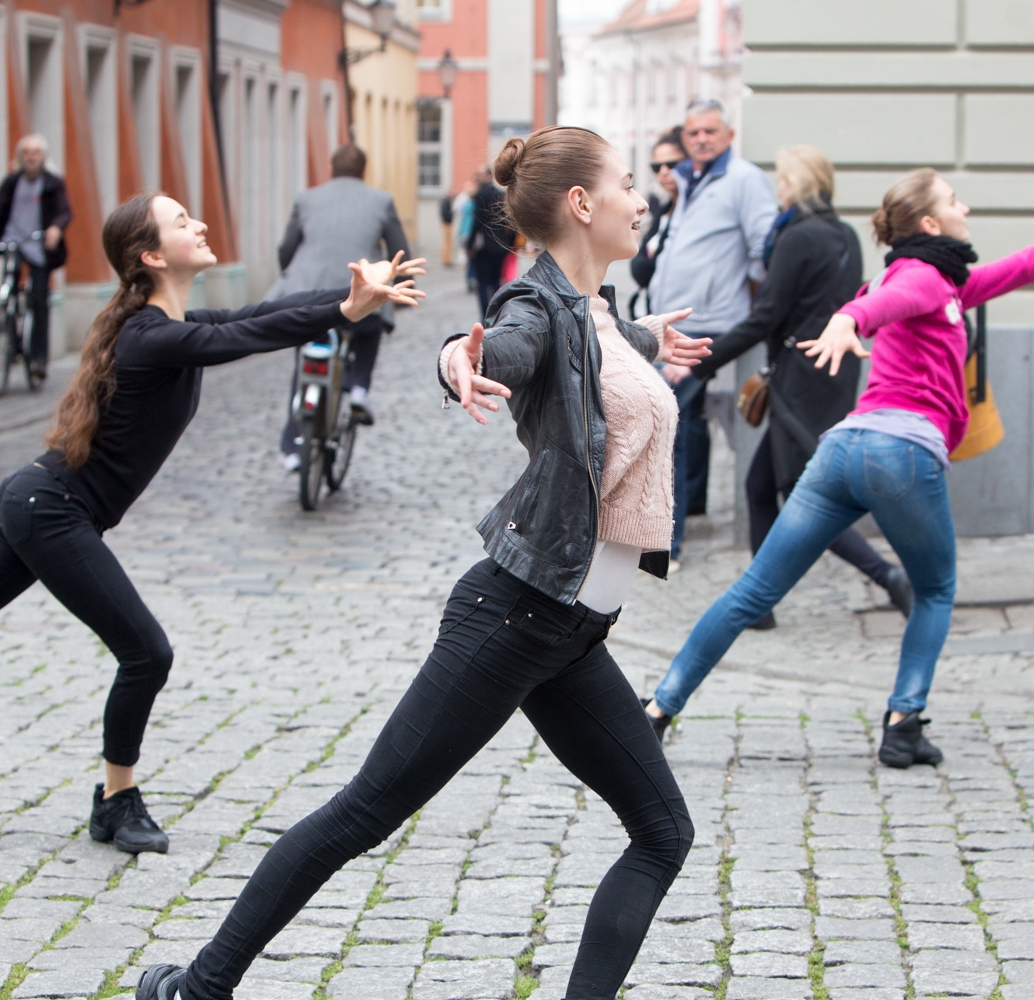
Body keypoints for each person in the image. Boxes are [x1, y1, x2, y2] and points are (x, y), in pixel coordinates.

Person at [134, 126, 711, 1000]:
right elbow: (500, 345)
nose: (643, 198)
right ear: (583, 205)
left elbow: (590, 335)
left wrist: (642, 337)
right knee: (363, 812)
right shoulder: (535, 306)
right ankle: (196, 988)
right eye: (629, 184)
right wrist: (457, 361)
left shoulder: (595, 310)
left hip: (572, 633)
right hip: (515, 616)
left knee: (663, 831)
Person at [0, 193, 424, 853]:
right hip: (50, 510)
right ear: (153, 255)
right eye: (183, 221)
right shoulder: (153, 337)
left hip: (36, 502)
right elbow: (247, 335)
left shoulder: (165, 324)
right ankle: (115, 801)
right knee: (145, 651)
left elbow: (256, 314)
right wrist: (342, 307)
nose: (201, 224)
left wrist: (350, 300)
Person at [644, 167, 1034, 766]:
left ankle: (659, 709)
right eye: (954, 200)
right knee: (936, 589)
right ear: (929, 222)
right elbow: (882, 304)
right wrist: (846, 321)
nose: (966, 206)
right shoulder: (917, 278)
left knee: (753, 590)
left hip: (846, 449)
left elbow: (1021, 266)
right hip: (899, 455)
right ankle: (903, 722)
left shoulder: (947, 288)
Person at [646, 145, 912, 651]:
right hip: (829, 372)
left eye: (783, 181)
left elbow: (765, 317)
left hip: (800, 379)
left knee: (807, 496)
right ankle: (760, 603)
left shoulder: (797, 236)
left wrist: (695, 358)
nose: (778, 190)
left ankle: (889, 577)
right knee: (759, 484)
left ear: (799, 184)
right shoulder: (842, 233)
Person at [648, 99, 779, 561]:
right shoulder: (688, 179)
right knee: (679, 425)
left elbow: (765, 248)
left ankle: (669, 543)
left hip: (713, 325)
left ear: (728, 134)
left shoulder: (742, 179)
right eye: (693, 132)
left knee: (674, 426)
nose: (701, 139)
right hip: (676, 324)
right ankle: (668, 532)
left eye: (710, 131)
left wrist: (754, 306)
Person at [271, 143, 410, 465]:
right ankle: (360, 387)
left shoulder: (307, 198)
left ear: (331, 170)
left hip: (307, 293)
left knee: (306, 353)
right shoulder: (381, 200)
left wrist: (291, 276)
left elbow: (286, 248)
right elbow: (399, 250)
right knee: (370, 328)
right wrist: (404, 288)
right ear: (363, 171)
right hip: (358, 291)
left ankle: (293, 446)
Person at [0, 134, 72, 382]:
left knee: (38, 301)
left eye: (35, 152)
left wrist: (56, 228)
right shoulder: (12, 182)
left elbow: (64, 211)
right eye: (26, 153)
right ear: (20, 158)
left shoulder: (52, 183)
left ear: (43, 157)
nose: (31, 157)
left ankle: (38, 359)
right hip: (13, 242)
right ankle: (12, 341)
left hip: (38, 246)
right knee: (9, 291)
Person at [629, 128, 686, 317]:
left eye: (671, 164)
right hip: (649, 313)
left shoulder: (692, 213)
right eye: (657, 167)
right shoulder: (664, 211)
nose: (663, 172)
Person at [466, 163, 515, 318]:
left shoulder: (482, 194)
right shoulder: (501, 195)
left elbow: (477, 222)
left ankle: (486, 317)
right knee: (495, 282)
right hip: (501, 246)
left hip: (485, 247)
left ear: (488, 175)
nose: (478, 177)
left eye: (480, 174)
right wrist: (510, 244)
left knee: (483, 284)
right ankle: (497, 314)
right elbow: (511, 222)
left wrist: (469, 244)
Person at [439, 191, 455, 267]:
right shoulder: (446, 202)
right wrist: (451, 213)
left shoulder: (444, 201)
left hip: (446, 223)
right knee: (447, 242)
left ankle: (446, 259)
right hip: (447, 223)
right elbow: (445, 213)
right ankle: (446, 259)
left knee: (447, 242)